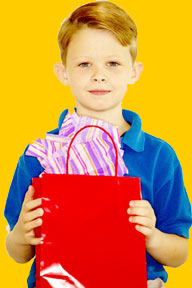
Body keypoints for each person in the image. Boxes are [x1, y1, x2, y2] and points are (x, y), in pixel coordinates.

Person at [4, 1, 192, 288]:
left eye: (113, 63)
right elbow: (18, 253)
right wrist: (21, 235)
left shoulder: (159, 156)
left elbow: (179, 254)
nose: (99, 75)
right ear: (63, 72)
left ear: (134, 71)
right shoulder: (39, 156)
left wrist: (151, 234)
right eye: (84, 64)